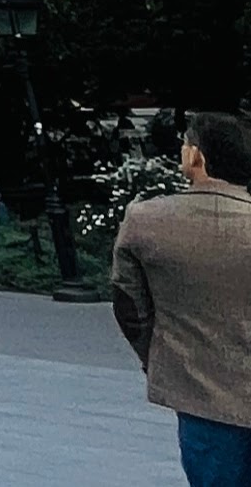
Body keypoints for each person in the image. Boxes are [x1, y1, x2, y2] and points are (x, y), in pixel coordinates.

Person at [111, 111, 251, 487]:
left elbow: (129, 307)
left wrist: (155, 358)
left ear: (196, 157)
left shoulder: (146, 221)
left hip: (205, 394)